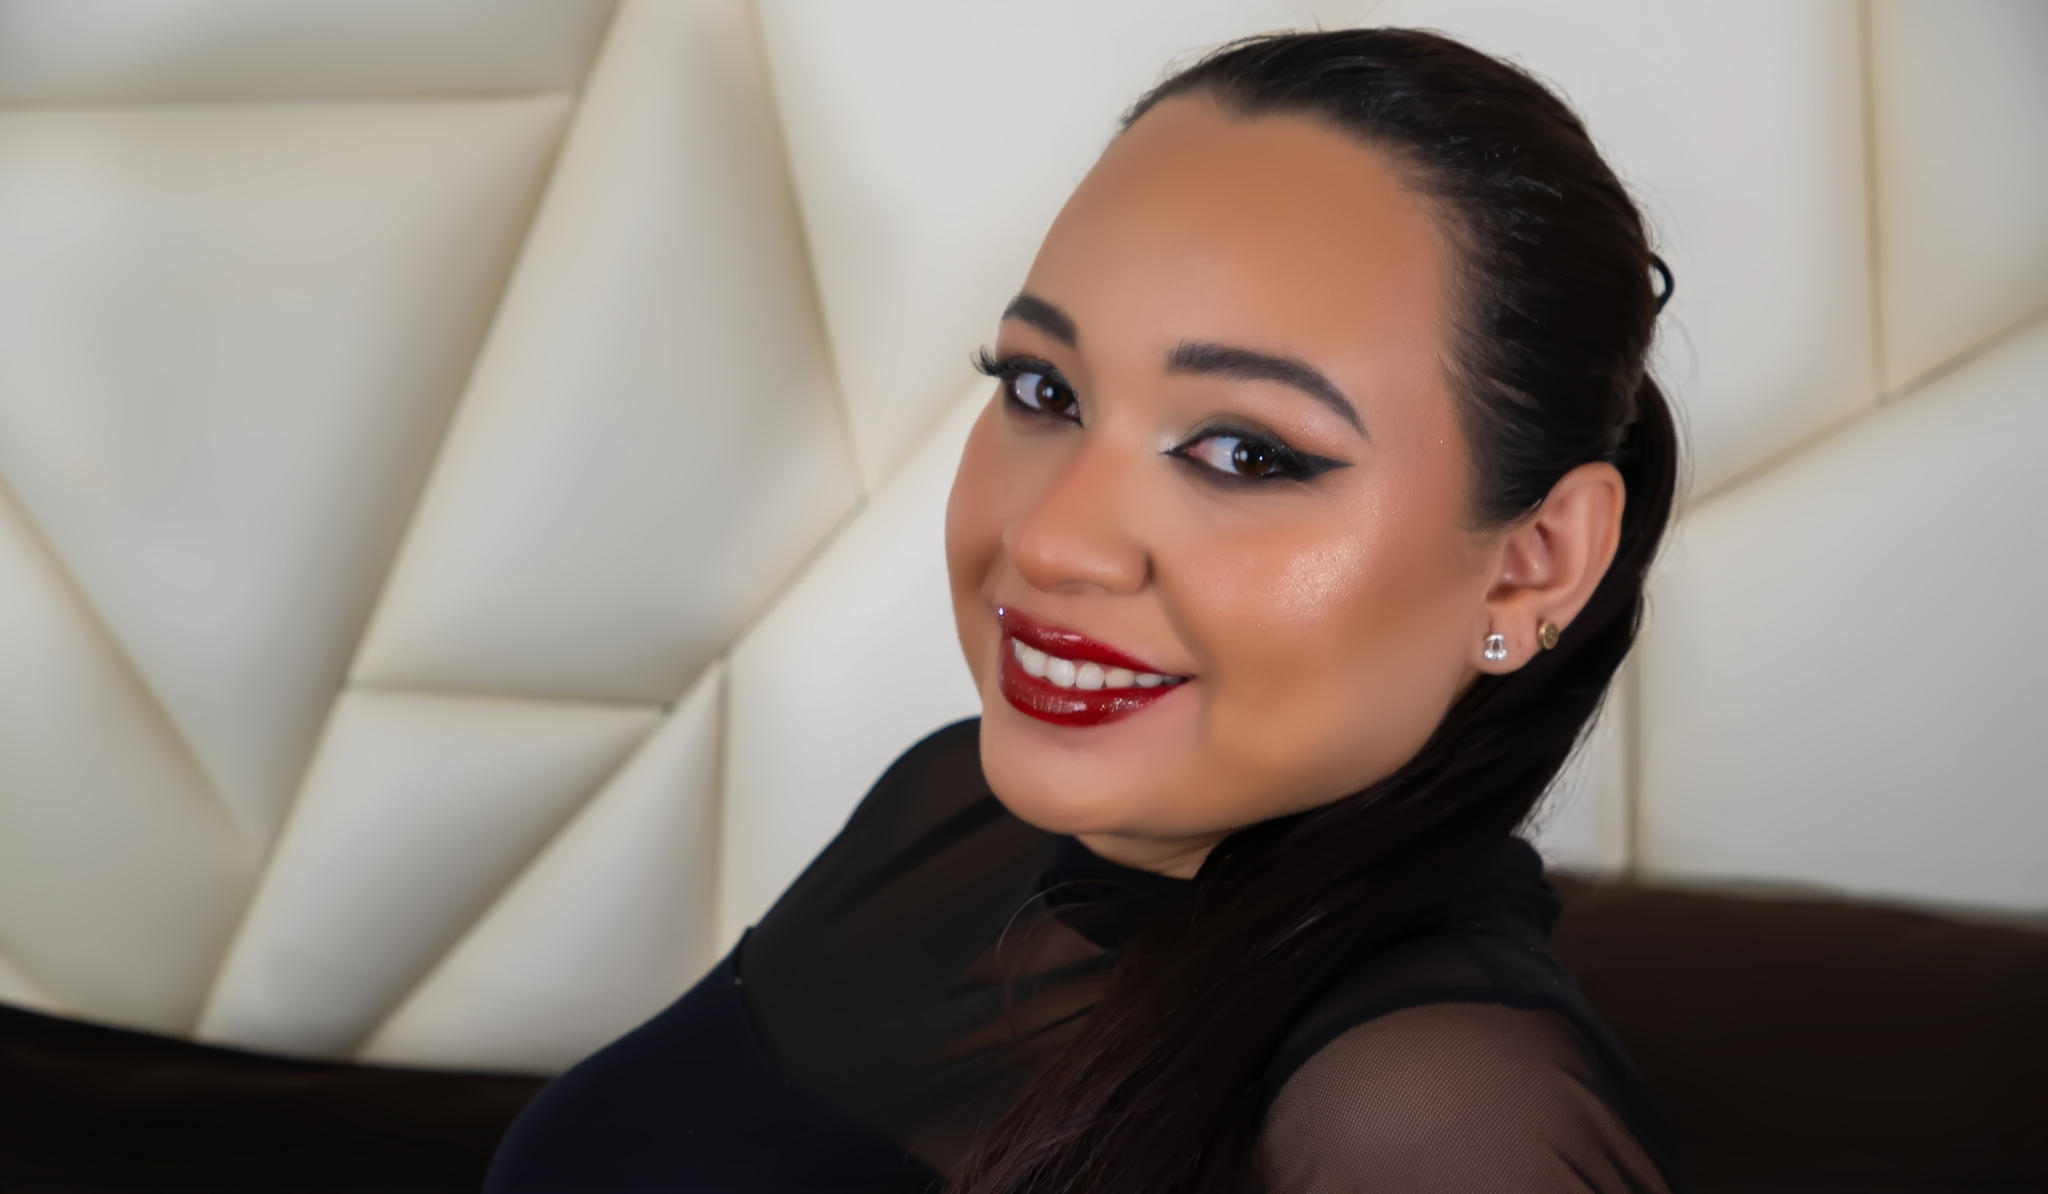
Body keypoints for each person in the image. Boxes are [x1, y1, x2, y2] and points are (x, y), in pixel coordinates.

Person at [484, 25, 1687, 1194]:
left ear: (1531, 564)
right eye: (1042, 389)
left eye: (1245, 453)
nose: (1050, 540)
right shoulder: (950, 822)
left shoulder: (1431, 1115)